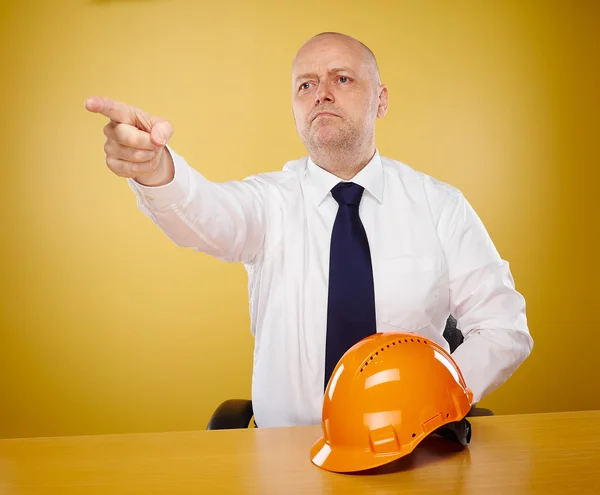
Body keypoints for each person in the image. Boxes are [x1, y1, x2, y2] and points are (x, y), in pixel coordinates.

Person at [85, 32, 533, 428]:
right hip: (287, 459)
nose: (321, 94)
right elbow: (203, 213)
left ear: (381, 99)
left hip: (413, 447)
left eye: (342, 79)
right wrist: (156, 167)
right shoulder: (268, 202)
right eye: (306, 84)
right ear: (295, 107)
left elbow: (503, 326)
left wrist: (436, 397)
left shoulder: (440, 207)